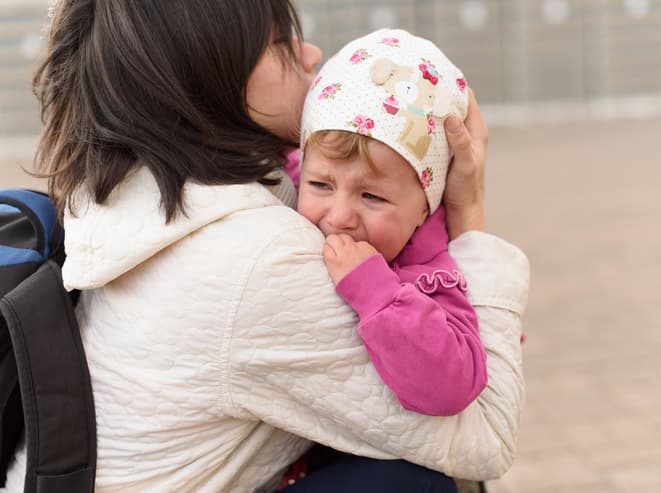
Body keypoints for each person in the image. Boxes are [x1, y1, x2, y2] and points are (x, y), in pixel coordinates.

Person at [4, 1, 529, 492]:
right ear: (212, 72)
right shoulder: (255, 258)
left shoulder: (143, 190)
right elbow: (485, 435)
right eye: (281, 42)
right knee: (415, 481)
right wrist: (467, 214)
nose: (311, 55)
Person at [291, 29, 486, 417]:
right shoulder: (278, 189)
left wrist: (376, 292)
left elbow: (452, 387)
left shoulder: (432, 278)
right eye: (320, 184)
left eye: (372, 196)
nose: (340, 217)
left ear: (424, 210)